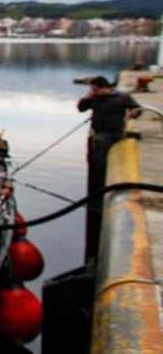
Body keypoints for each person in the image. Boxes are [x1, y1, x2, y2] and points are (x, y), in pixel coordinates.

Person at [77, 76, 141, 261]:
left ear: (100, 87)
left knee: (100, 167)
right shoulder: (99, 98)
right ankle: (101, 195)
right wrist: (89, 96)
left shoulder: (120, 97)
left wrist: (132, 114)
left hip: (108, 136)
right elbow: (81, 107)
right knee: (100, 165)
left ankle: (99, 200)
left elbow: (136, 109)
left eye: (93, 88)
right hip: (104, 136)